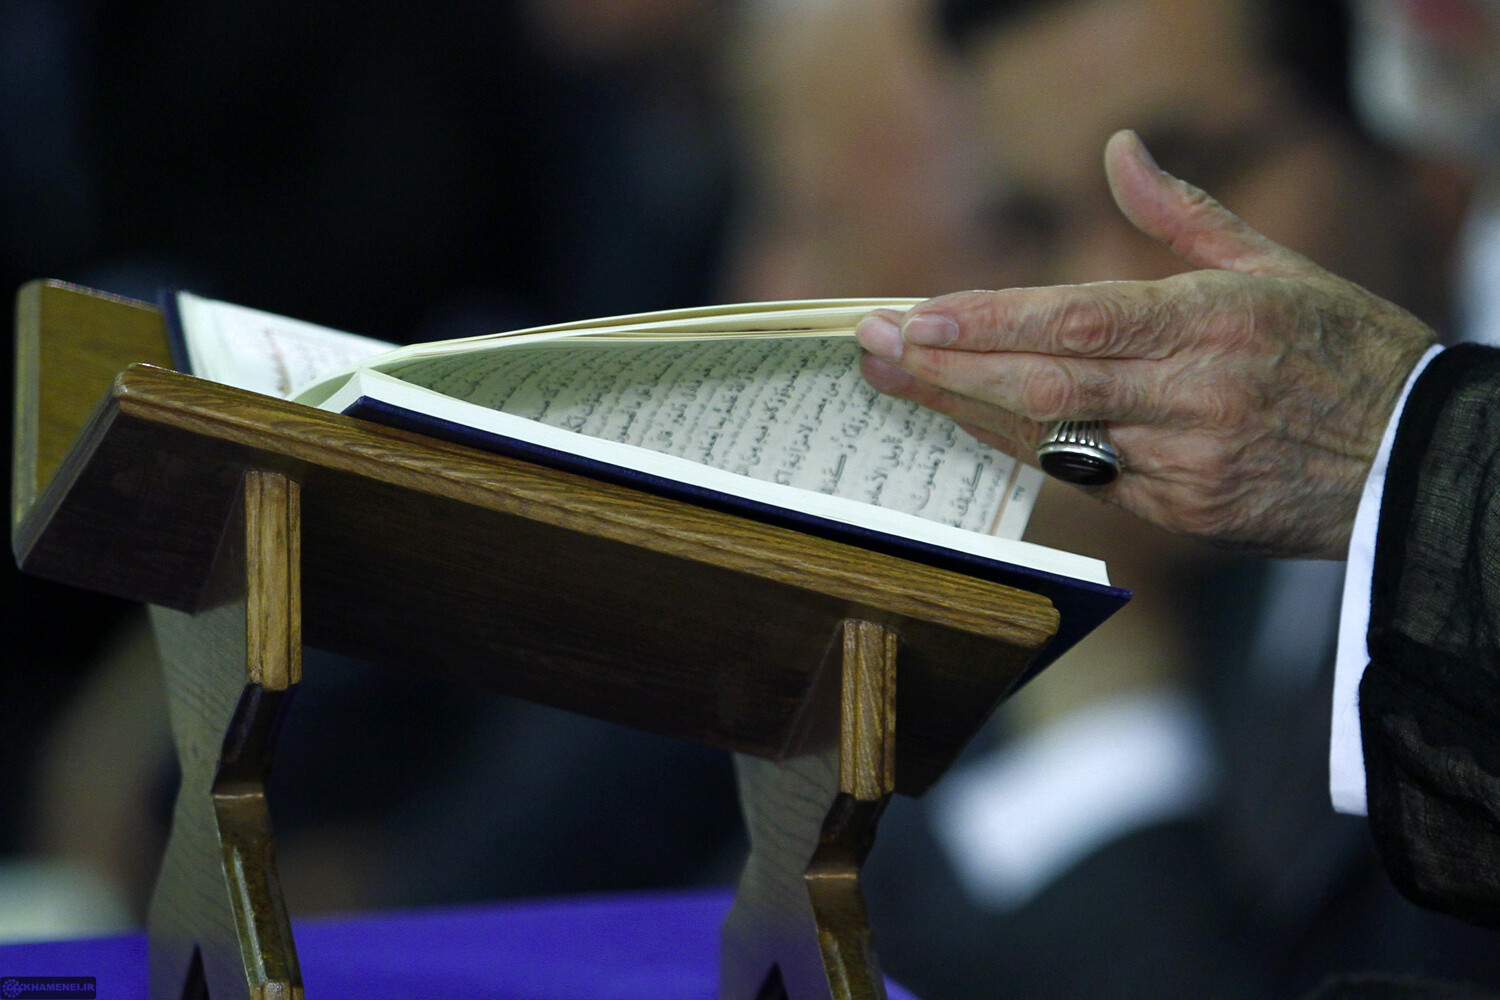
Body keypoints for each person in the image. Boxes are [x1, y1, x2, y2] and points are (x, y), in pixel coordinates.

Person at [852, 0, 1500, 941]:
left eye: (1186, 180)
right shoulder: (1143, 537)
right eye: (1036, 223)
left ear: (1408, 156)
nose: (1095, 294)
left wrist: (1107, 712)